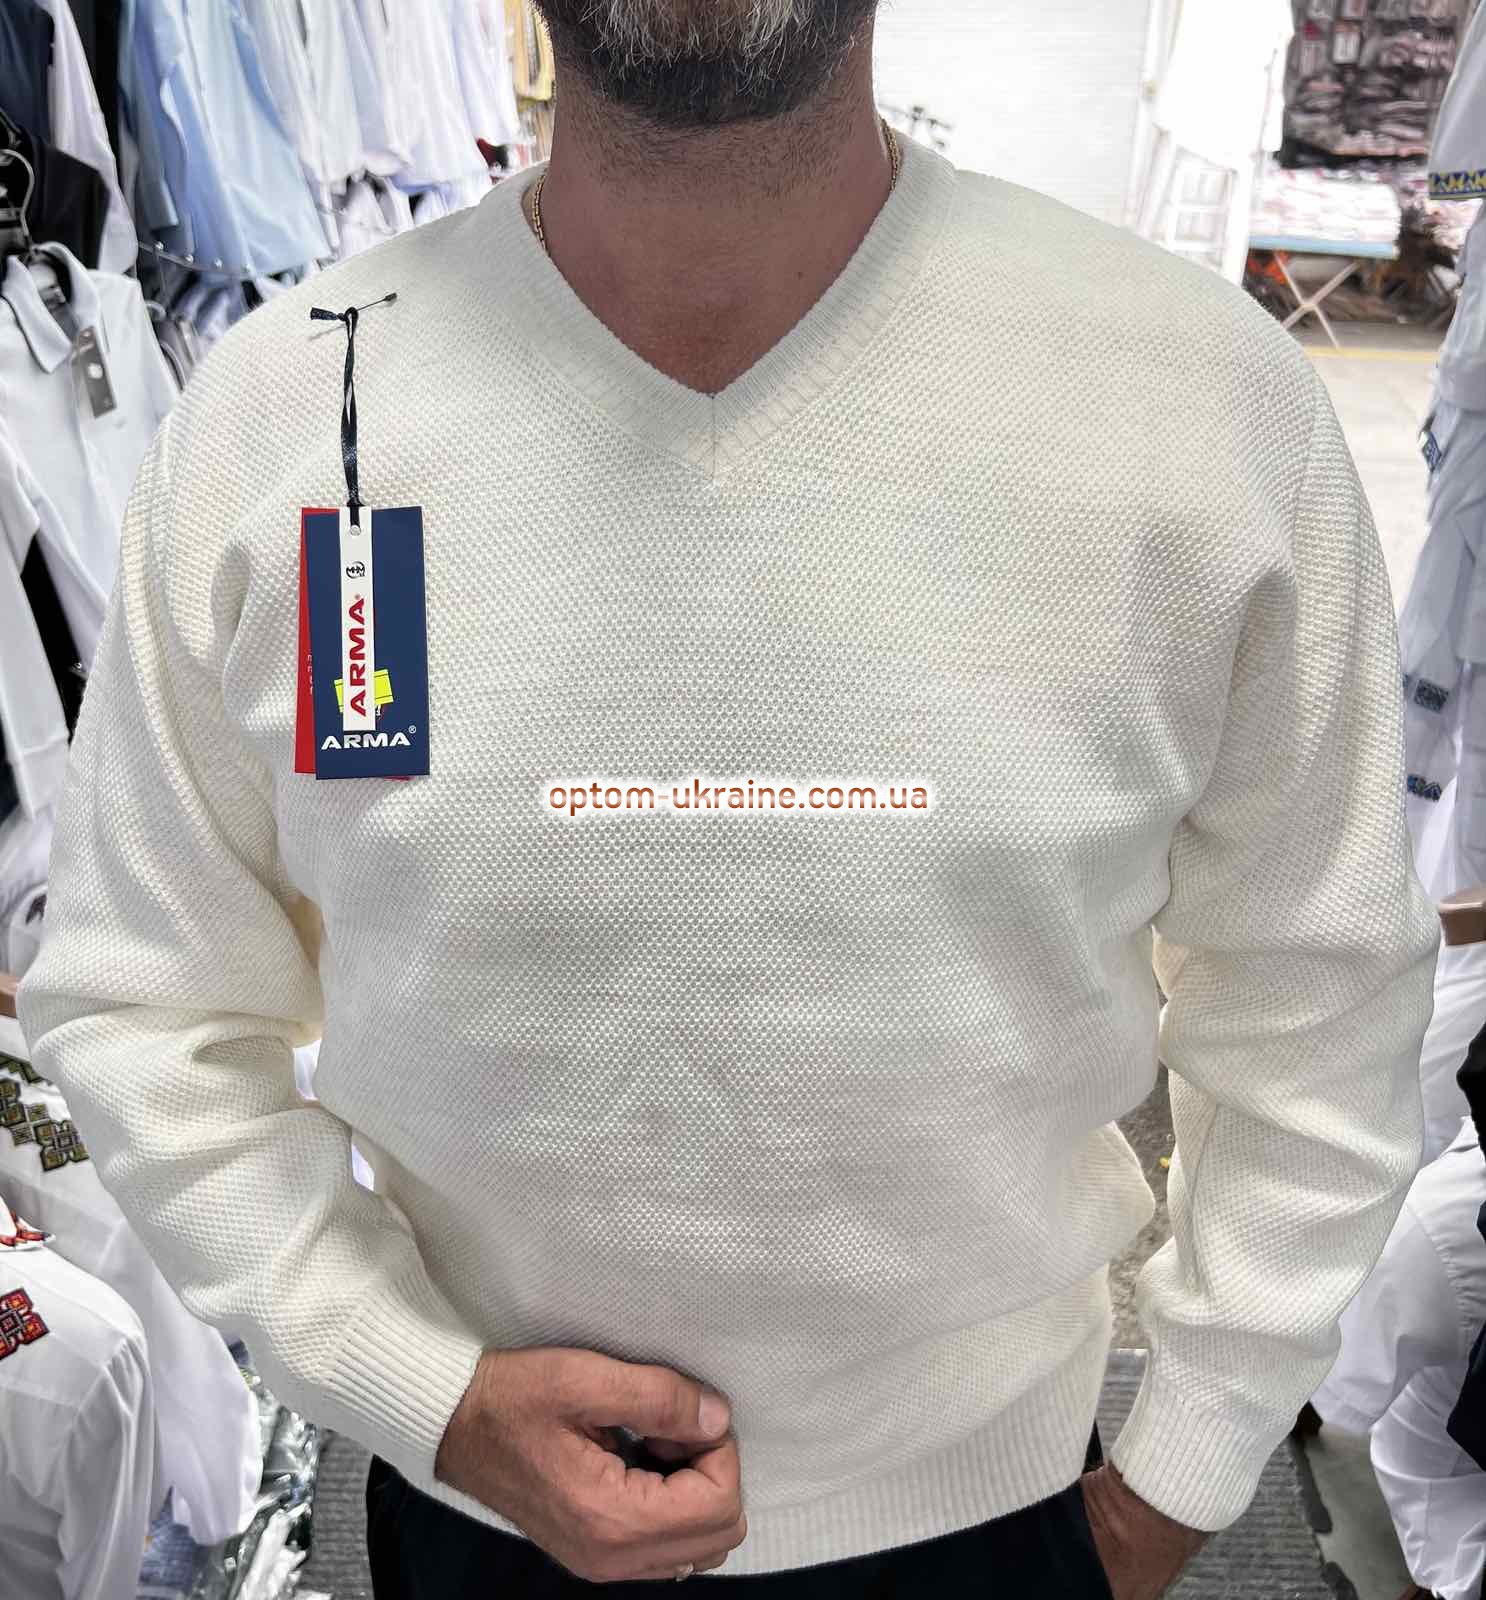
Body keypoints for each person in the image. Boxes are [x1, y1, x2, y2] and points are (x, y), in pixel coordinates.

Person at [18, 2, 1440, 1595]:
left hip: (1003, 1519)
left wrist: (1183, 1466)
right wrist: (412, 1383)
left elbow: (1317, 992)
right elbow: (144, 998)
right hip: (472, 1505)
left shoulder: (1197, 400)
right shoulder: (277, 416)